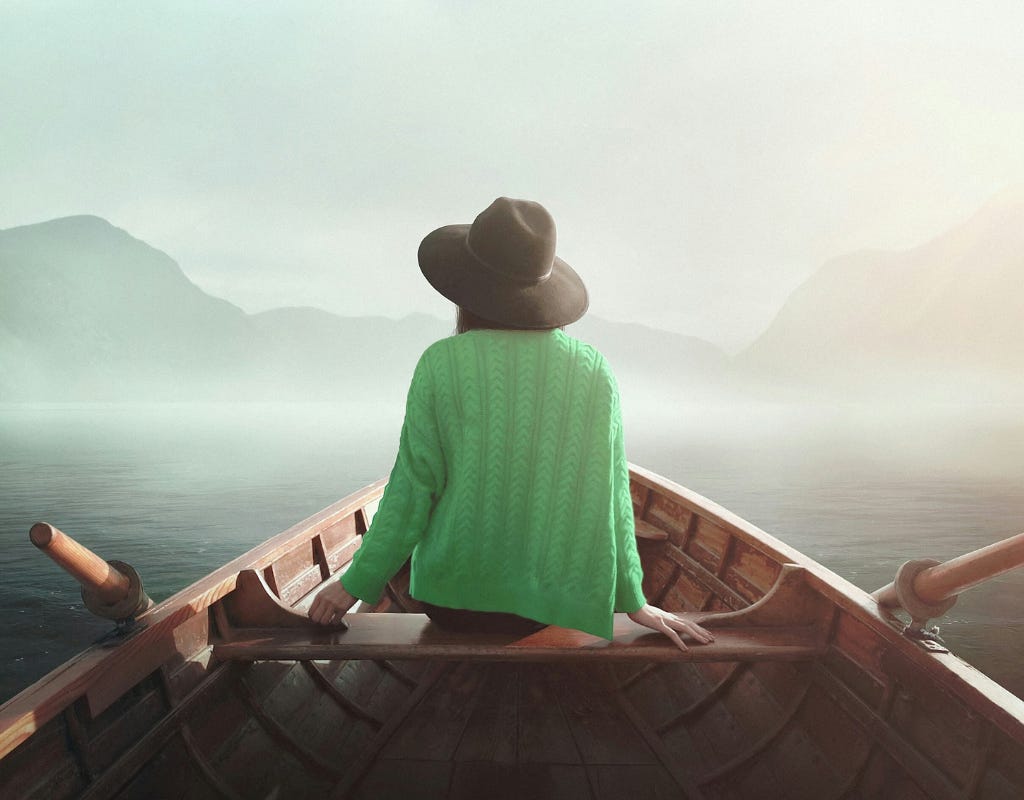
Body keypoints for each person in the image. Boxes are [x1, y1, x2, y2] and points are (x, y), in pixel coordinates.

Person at [309, 197, 714, 651]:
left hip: (454, 605)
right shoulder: (594, 370)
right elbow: (613, 496)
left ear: (467, 288)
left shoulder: (441, 364)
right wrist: (635, 602)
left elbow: (411, 493)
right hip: (556, 605)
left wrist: (353, 585)